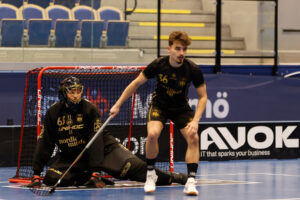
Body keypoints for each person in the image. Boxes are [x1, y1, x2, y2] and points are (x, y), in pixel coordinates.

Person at [27, 76, 187, 189]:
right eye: (71, 92)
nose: (76, 96)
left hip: (104, 150)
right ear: (63, 94)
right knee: (51, 179)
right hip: (73, 157)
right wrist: (36, 173)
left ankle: (174, 177)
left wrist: (96, 170)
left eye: (78, 91)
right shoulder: (53, 113)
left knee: (136, 169)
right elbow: (45, 141)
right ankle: (88, 177)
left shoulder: (90, 109)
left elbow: (96, 141)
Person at [110, 31, 207, 196]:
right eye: (177, 49)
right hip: (159, 106)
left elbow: (203, 97)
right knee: (153, 134)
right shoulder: (158, 65)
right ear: (169, 49)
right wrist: (118, 105)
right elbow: (135, 84)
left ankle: (190, 181)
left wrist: (196, 120)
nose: (181, 53)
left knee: (194, 137)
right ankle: (150, 174)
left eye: (184, 49)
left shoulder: (193, 69)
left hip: (181, 108)